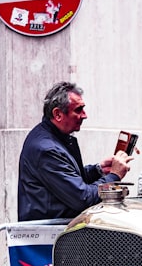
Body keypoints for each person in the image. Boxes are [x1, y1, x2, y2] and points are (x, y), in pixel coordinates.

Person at [18, 82, 133, 220]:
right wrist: (114, 176)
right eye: (78, 110)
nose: (85, 115)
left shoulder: (57, 138)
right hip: (49, 234)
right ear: (58, 114)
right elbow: (83, 199)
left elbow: (70, 177)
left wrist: (99, 170)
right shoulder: (46, 149)